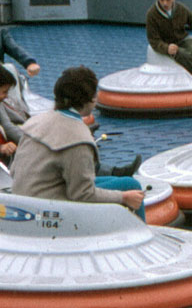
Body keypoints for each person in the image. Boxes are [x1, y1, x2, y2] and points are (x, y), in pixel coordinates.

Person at [11, 66, 146, 220]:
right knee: (130, 185)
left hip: (23, 199)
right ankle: (142, 233)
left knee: (117, 182)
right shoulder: (78, 138)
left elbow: (14, 171)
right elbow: (82, 194)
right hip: (48, 209)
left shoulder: (35, 122)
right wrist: (123, 198)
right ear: (89, 99)